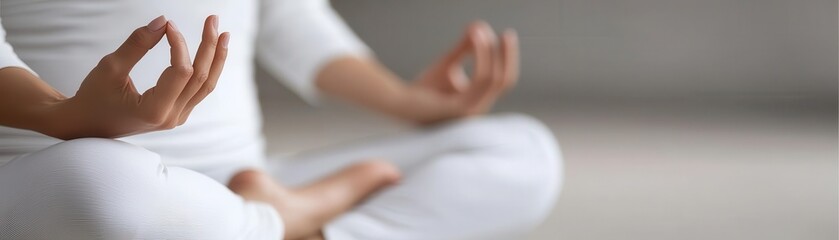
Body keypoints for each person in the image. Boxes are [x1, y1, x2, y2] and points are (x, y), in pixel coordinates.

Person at [0, 1, 562, 239]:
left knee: (523, 152)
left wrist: (407, 101)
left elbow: (290, 17)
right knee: (96, 183)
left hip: (244, 177)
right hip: (43, 173)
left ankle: (292, 229)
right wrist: (61, 114)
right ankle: (278, 223)